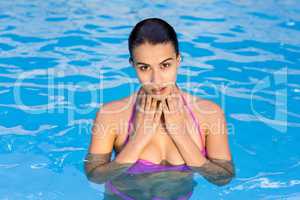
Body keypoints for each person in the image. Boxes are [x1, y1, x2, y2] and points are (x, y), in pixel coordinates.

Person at [84, 18, 235, 196]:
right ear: (132, 65)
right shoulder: (111, 114)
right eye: (144, 68)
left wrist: (180, 135)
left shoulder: (209, 114)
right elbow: (95, 176)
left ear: (178, 60)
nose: (156, 80)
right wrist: (138, 140)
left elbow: (223, 178)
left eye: (165, 65)